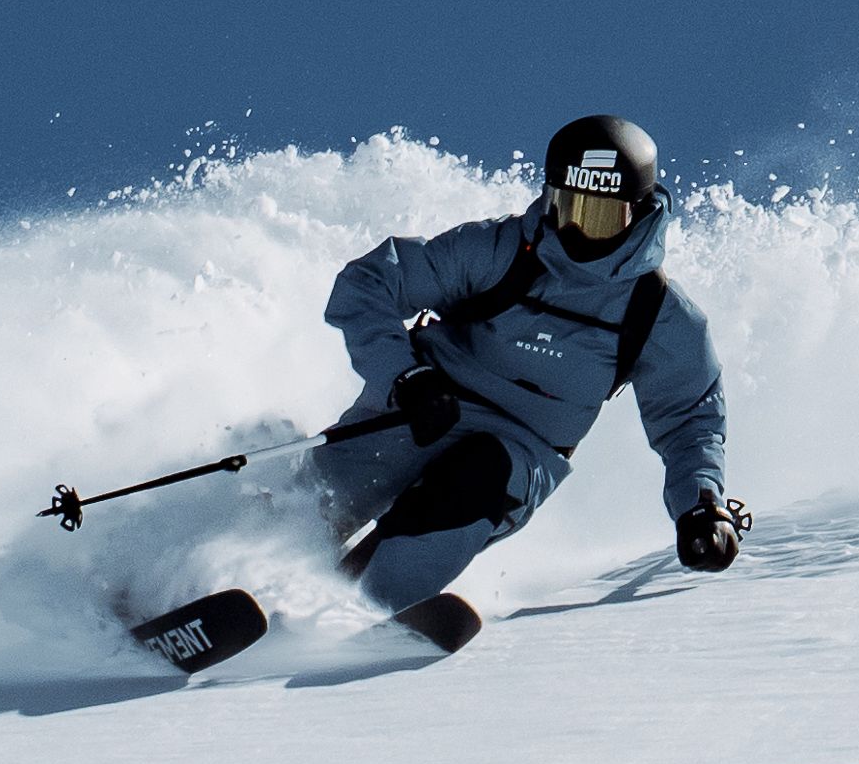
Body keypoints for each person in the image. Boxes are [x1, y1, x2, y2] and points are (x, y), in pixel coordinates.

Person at [314, 115, 744, 614]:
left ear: (639, 212)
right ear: (549, 195)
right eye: (569, 208)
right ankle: (225, 567)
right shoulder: (497, 251)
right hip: (425, 409)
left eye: (602, 217)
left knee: (476, 479)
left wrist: (701, 504)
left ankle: (353, 609)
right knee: (310, 507)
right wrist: (405, 377)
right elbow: (370, 284)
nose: (580, 231)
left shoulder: (659, 315)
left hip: (520, 451)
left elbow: (691, 421)